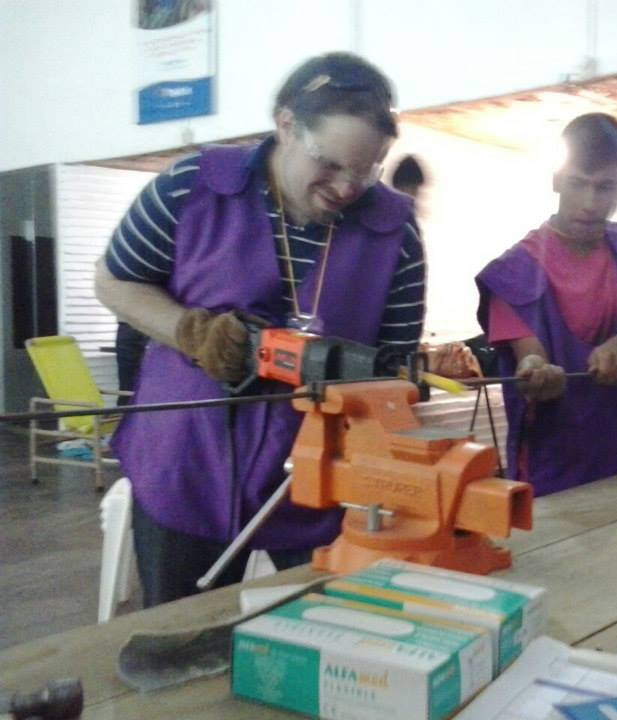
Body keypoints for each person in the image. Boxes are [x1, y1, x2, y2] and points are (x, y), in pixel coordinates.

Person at [94, 52, 425, 606]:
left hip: (320, 480)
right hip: (184, 466)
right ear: (286, 125)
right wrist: (191, 332)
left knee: (331, 635)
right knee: (184, 637)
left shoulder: (395, 232)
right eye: (332, 163)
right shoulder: (189, 187)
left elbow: (396, 368)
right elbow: (114, 282)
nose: (347, 187)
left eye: (366, 170)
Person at [475, 113, 617, 496]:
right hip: (556, 465)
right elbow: (529, 355)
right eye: (577, 184)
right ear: (556, 178)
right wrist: (537, 374)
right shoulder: (515, 271)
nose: (590, 203)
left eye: (606, 187)